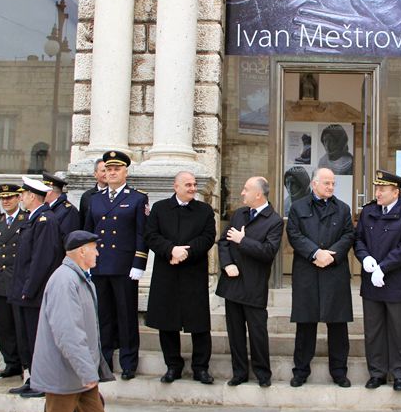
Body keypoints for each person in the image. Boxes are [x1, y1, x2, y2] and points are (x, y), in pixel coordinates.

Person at [0, 230, 129, 412]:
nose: (98, 253)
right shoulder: (64, 280)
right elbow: (68, 331)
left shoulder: (77, 278)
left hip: (79, 371)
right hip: (68, 371)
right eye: (94, 248)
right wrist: (86, 371)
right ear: (81, 252)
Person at [354, 170, 401, 391]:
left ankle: (400, 373)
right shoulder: (369, 211)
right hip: (372, 282)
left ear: (396, 192)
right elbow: (359, 240)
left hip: (397, 282)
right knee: (373, 330)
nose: (378, 193)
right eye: (377, 189)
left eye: (382, 189)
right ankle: (377, 372)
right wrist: (364, 259)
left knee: (399, 330)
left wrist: (383, 268)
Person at [144, 171, 217, 384]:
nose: (193, 188)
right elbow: (151, 235)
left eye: (194, 184)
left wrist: (185, 252)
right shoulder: (160, 209)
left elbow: (208, 237)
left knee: (199, 324)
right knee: (167, 323)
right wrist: (171, 251)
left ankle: (200, 368)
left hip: (193, 272)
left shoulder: (204, 210)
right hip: (167, 272)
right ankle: (173, 366)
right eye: (188, 185)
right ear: (176, 186)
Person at [83, 151, 149, 380]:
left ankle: (129, 362)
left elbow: (142, 234)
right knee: (103, 316)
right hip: (100, 266)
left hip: (124, 267)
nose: (112, 173)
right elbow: (88, 234)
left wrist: (139, 263)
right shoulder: (95, 199)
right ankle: (104, 362)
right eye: (108, 169)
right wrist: (86, 263)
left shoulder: (137, 198)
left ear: (125, 172)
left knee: (126, 316)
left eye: (116, 169)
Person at [286, 167, 354, 387]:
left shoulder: (343, 209)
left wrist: (330, 256)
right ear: (314, 184)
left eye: (333, 183)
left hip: (335, 272)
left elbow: (348, 235)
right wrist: (316, 253)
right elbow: (294, 234)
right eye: (327, 183)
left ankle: (339, 372)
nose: (331, 187)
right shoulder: (298, 207)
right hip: (308, 270)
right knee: (305, 325)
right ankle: (301, 371)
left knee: (338, 326)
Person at [216, 176, 283, 387]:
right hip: (232, 283)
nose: (242, 193)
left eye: (246, 189)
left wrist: (242, 241)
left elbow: (268, 252)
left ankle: (263, 373)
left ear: (258, 194)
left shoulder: (274, 221)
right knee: (235, 332)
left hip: (254, 285)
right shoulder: (239, 214)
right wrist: (227, 265)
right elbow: (223, 243)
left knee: (257, 332)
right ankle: (239, 372)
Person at [9, 176, 64, 398]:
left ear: (32, 196)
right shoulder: (33, 218)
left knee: (37, 338)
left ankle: (42, 381)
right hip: (24, 290)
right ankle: (33, 378)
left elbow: (42, 259)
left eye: (23, 195)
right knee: (26, 339)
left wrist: (29, 288)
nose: (20, 198)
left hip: (34, 292)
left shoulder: (45, 220)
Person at [0, 184, 28, 379]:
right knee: (4, 325)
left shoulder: (26, 220)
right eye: (3, 198)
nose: (6, 201)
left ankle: (23, 361)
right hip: (1, 281)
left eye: (10, 197)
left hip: (18, 280)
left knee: (20, 324)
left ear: (19, 198)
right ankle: (10, 362)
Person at [44, 172, 81, 240]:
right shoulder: (47, 207)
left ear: (50, 191)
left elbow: (68, 239)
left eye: (43, 190)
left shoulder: (69, 211)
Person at [78, 158, 107, 228]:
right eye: (103, 171)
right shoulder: (87, 196)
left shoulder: (116, 194)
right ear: (95, 174)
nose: (107, 174)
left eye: (108, 170)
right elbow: (82, 223)